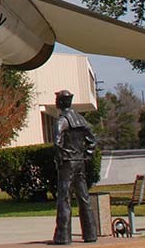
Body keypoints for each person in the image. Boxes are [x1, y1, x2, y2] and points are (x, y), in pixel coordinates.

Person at [52, 89, 98, 245]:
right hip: (79, 162)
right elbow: (92, 140)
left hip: (67, 162)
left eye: (57, 99)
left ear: (61, 102)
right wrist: (87, 155)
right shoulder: (80, 120)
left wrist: (59, 160)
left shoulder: (62, 120)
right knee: (84, 197)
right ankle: (91, 234)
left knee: (64, 198)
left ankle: (63, 236)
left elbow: (57, 143)